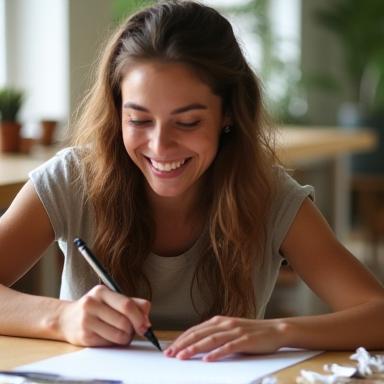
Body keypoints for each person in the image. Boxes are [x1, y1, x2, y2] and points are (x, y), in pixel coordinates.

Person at [0, 0, 383, 362]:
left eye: (187, 122)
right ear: (117, 112)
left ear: (229, 114)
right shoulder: (71, 179)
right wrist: (62, 318)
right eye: (139, 120)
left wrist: (280, 331)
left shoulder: (271, 196)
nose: (160, 145)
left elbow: (376, 313)